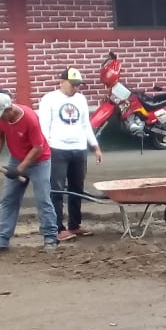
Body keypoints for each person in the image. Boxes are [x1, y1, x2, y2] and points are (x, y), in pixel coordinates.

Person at [0, 92, 59, 253]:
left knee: (43, 199)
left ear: (9, 109)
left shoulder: (29, 118)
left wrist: (20, 169)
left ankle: (50, 237)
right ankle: (1, 240)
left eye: (1, 115)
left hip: (40, 161)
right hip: (16, 158)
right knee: (8, 199)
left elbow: (38, 148)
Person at [38, 67, 103, 240]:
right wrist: (45, 148)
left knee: (77, 189)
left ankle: (75, 225)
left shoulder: (81, 99)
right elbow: (44, 126)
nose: (76, 88)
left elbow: (85, 124)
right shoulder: (49, 99)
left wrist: (95, 146)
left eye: (78, 85)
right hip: (57, 149)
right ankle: (57, 228)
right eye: (72, 84)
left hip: (79, 150)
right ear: (61, 82)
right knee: (57, 190)